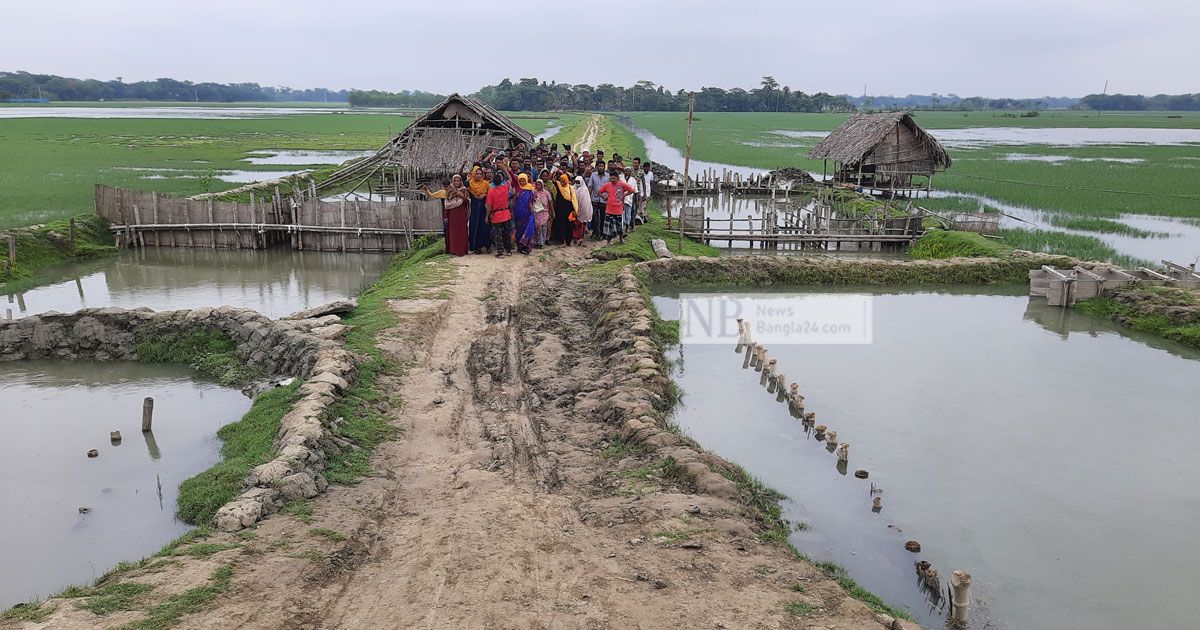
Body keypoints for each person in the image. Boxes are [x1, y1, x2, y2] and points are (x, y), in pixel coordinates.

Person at [597, 171, 636, 245]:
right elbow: (599, 192)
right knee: (608, 227)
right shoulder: (607, 185)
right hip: (609, 209)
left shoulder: (622, 184)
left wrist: (624, 195)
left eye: (614, 178)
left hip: (618, 209)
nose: (612, 180)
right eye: (611, 178)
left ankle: (621, 239)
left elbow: (632, 190)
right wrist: (604, 197)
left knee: (619, 226)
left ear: (617, 178)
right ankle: (608, 242)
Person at [486, 166, 514, 257]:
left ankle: (500, 252)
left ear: (493, 182)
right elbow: (510, 179)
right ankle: (509, 251)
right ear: (501, 181)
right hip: (506, 214)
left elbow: (488, 205)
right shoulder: (505, 187)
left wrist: (487, 216)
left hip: (497, 215)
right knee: (507, 233)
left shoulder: (491, 191)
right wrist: (505, 169)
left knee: (498, 235)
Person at [467, 162, 492, 254]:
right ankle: (477, 247)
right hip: (474, 208)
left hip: (484, 207)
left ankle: (487, 246)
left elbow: (490, 194)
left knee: (485, 226)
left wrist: (484, 194)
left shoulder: (486, 184)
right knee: (475, 226)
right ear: (474, 174)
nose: (478, 175)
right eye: (477, 174)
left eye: (480, 174)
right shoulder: (470, 183)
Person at [512, 173, 536, 254]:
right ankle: (520, 247)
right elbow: (513, 177)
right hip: (518, 212)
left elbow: (533, 199)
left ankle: (527, 247)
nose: (522, 182)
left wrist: (532, 206)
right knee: (519, 230)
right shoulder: (518, 188)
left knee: (529, 228)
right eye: (520, 181)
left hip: (528, 212)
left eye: (523, 181)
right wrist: (507, 168)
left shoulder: (531, 188)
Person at [551, 172, 578, 245]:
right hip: (560, 209)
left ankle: (568, 241)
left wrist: (575, 210)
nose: (562, 182)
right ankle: (561, 241)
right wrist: (555, 171)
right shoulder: (558, 185)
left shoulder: (570, 188)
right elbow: (552, 179)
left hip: (569, 209)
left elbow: (574, 199)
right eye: (561, 181)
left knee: (569, 225)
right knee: (561, 225)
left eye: (564, 181)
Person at [587, 161, 608, 238]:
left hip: (604, 199)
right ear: (596, 167)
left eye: (602, 166)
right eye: (599, 166)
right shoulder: (593, 175)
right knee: (594, 216)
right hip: (594, 199)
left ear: (604, 167)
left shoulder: (608, 176)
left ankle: (602, 233)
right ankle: (595, 231)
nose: (601, 168)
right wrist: (588, 198)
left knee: (603, 217)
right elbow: (590, 186)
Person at [531, 178, 552, 247]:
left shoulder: (546, 193)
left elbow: (550, 202)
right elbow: (532, 201)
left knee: (543, 228)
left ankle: (541, 242)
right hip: (537, 212)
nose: (538, 186)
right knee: (537, 227)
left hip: (544, 212)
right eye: (536, 184)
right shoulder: (534, 192)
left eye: (539, 184)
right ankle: (536, 242)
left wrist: (551, 212)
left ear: (542, 185)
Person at [573, 175, 593, 245]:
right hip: (575, 209)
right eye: (576, 181)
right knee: (575, 225)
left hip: (583, 210)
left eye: (578, 181)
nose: (577, 183)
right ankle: (576, 237)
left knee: (582, 225)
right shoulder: (574, 188)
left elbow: (586, 202)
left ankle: (581, 238)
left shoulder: (584, 189)